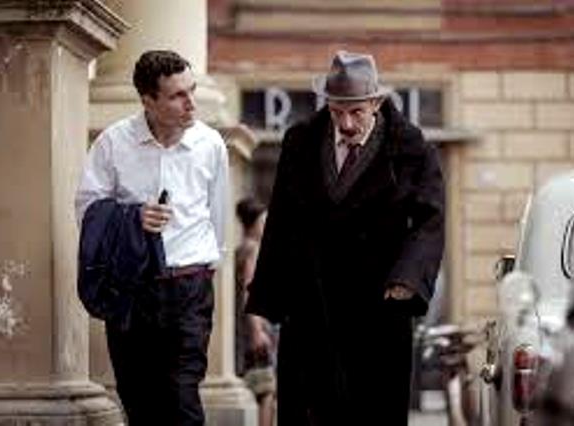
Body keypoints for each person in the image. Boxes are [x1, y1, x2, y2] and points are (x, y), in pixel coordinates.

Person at [246, 50, 445, 425]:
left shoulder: (411, 148)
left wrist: (407, 279)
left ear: (376, 103)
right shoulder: (300, 141)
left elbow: (429, 219)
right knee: (309, 410)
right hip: (311, 305)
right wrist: (270, 294)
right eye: (337, 111)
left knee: (371, 410)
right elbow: (281, 220)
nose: (347, 123)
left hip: (378, 307)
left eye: (357, 112)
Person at [75, 50, 229, 426]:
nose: (191, 103)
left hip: (190, 287)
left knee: (182, 397)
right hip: (133, 289)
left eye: (192, 90)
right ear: (148, 100)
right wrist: (133, 217)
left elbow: (218, 217)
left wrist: (209, 268)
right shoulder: (113, 143)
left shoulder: (210, 144)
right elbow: (87, 208)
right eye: (178, 95)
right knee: (139, 399)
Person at [234, 197, 277, 426]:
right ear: (252, 224)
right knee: (266, 390)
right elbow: (249, 290)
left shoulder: (242, 248)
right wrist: (257, 330)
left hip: (252, 325)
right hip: (258, 325)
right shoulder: (252, 249)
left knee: (264, 388)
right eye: (263, 221)